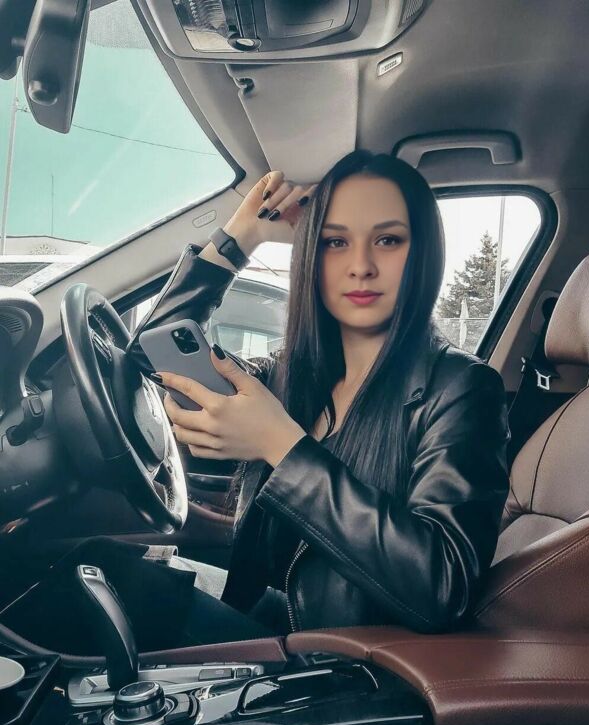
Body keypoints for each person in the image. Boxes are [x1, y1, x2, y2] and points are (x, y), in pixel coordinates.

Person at [0, 150, 510, 655]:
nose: (360, 266)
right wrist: (241, 238)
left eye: (388, 240)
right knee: (93, 560)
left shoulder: (463, 388)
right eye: (335, 242)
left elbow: (441, 586)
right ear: (311, 258)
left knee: (96, 579)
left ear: (423, 253)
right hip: (269, 613)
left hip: (336, 660)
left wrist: (281, 445)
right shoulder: (295, 374)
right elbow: (155, 353)